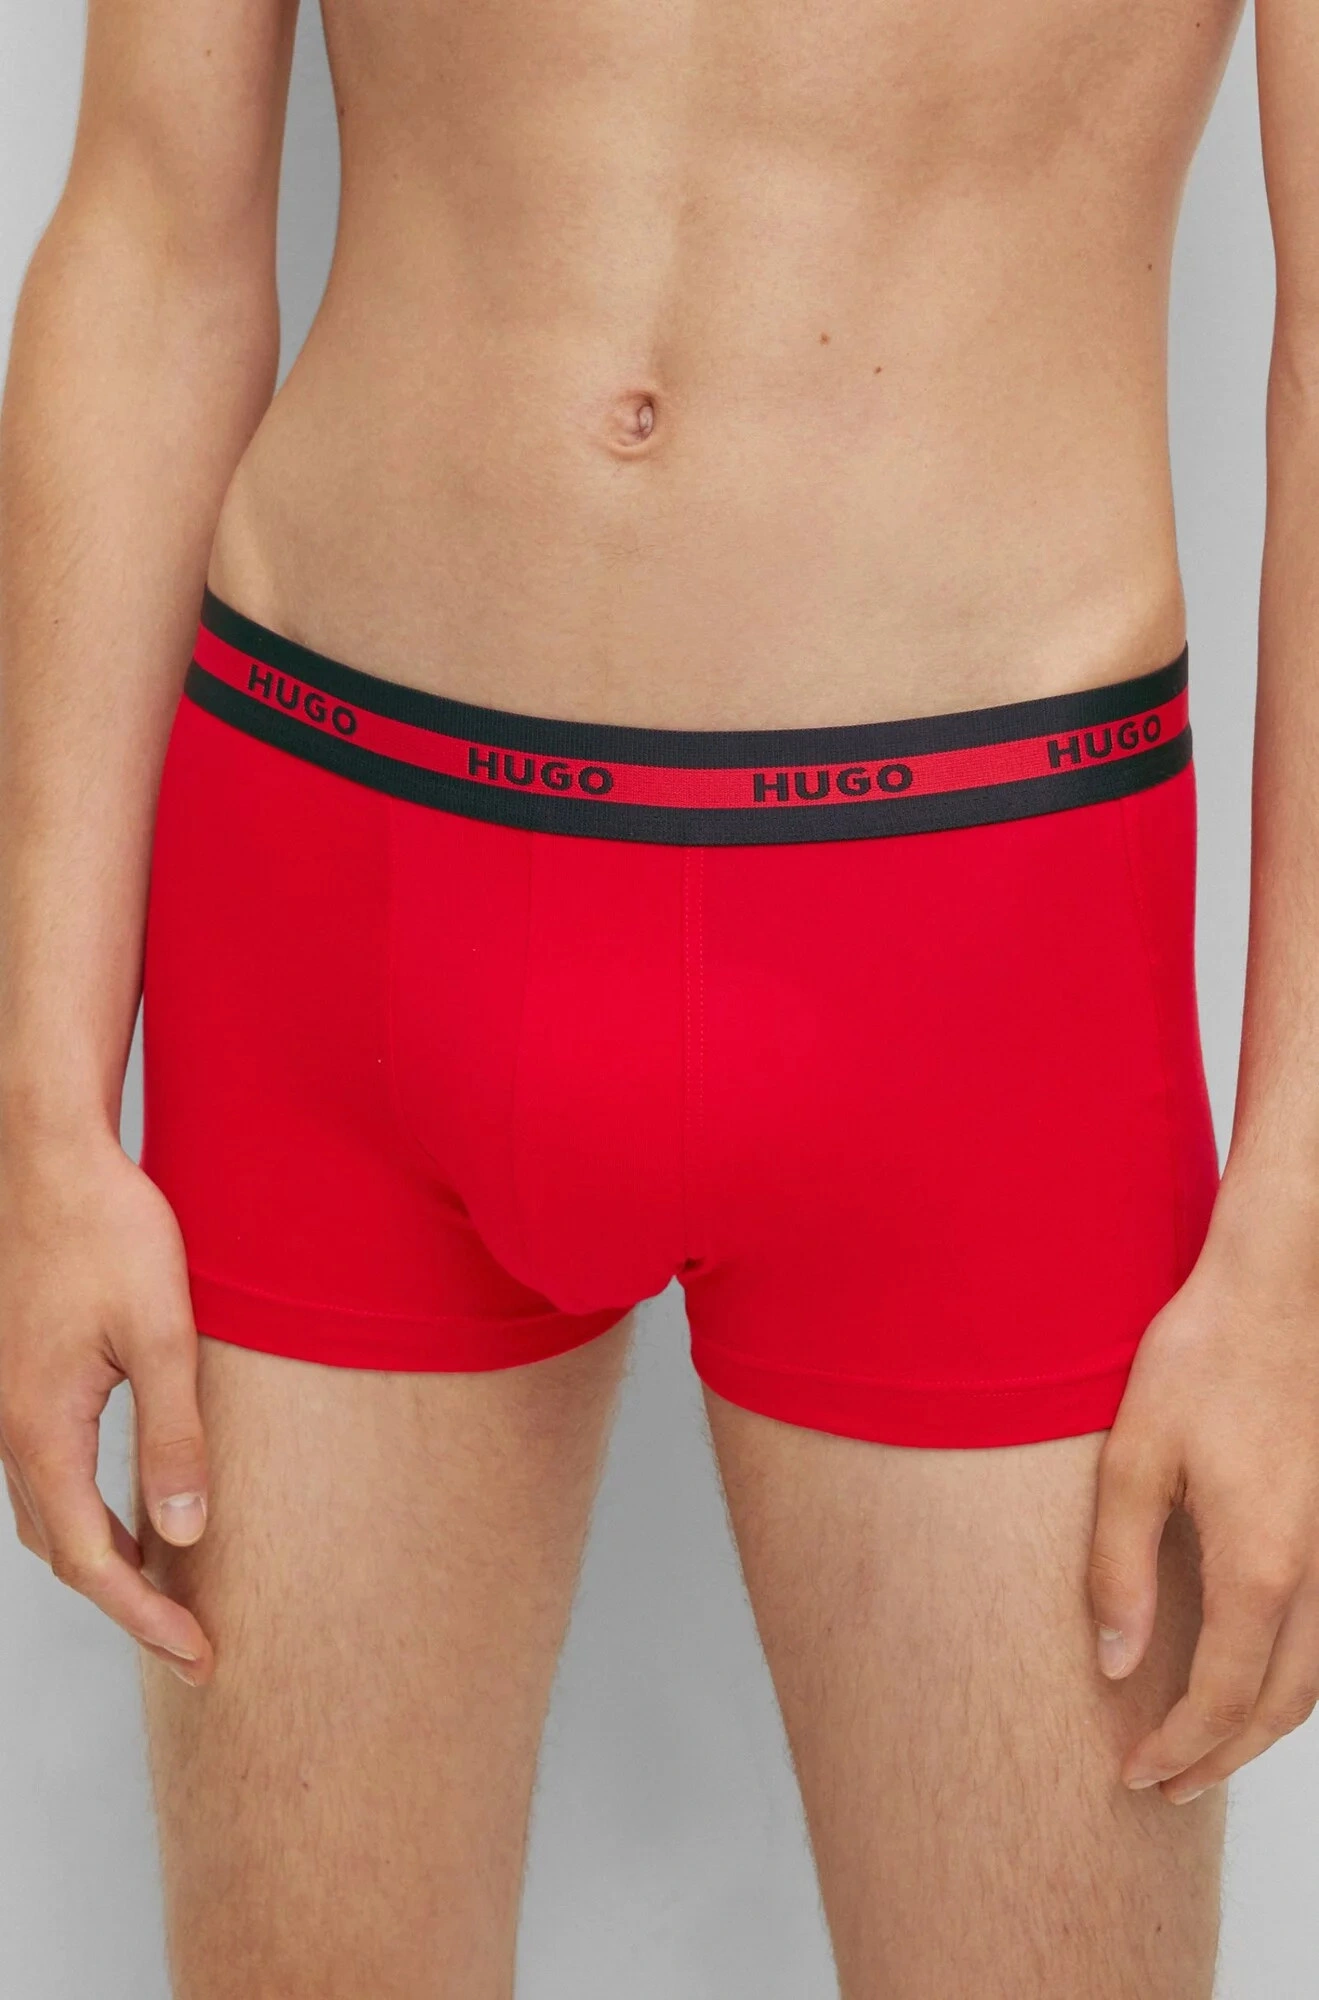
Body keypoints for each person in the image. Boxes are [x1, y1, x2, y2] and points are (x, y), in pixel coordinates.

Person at [1, 0, 1316, 1992]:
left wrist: (1294, 1238)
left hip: (971, 944)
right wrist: (40, 1108)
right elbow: (150, 231)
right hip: (333, 894)